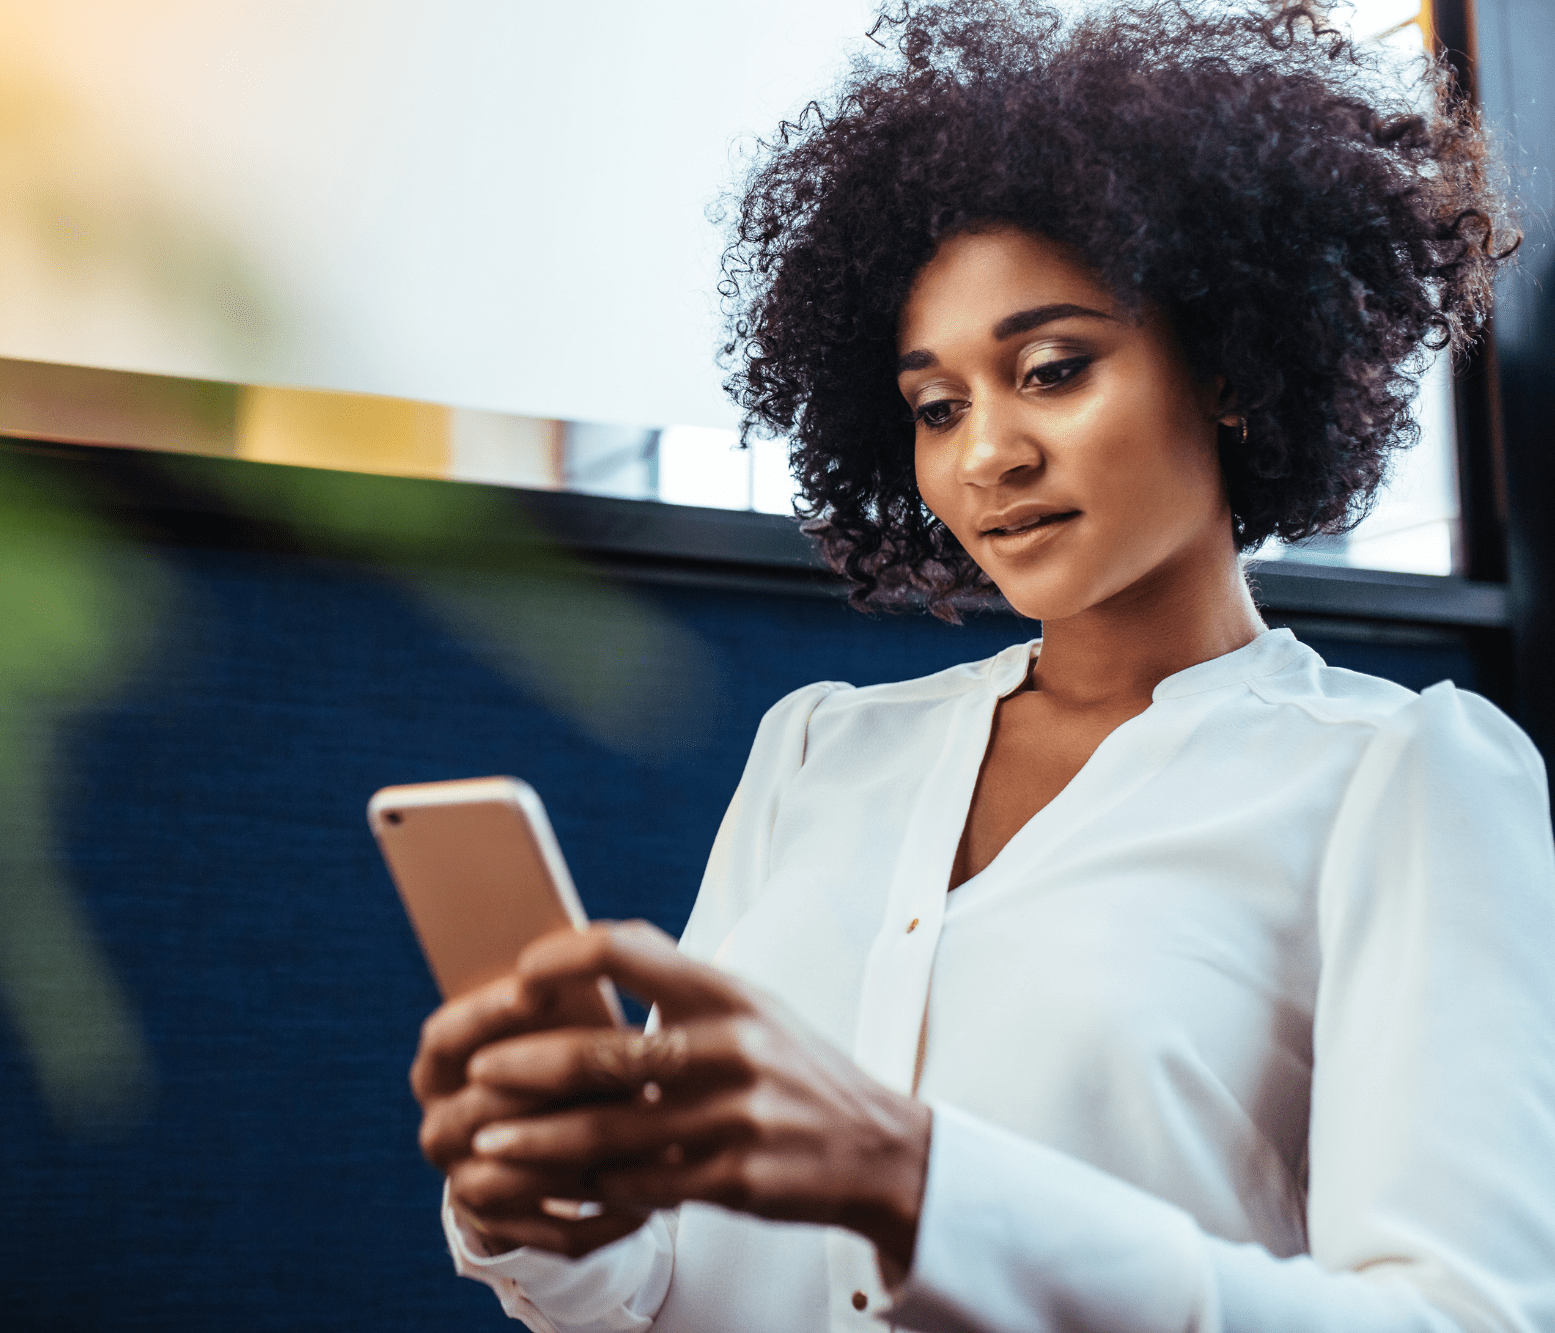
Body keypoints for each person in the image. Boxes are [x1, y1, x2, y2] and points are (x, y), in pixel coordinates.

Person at [410, 1, 1555, 1328]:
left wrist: (917, 1184)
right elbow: (661, 1280)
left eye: (1053, 370)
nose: (986, 458)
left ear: (1231, 368)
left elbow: (1460, 1318)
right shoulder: (821, 747)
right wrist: (546, 1215)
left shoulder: (1400, 779)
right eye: (937, 406)